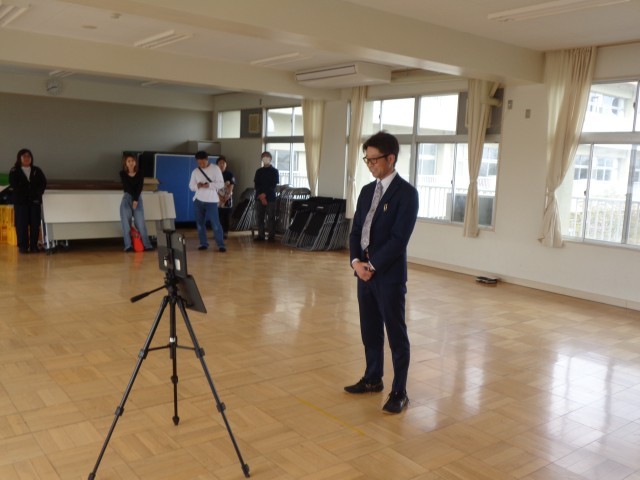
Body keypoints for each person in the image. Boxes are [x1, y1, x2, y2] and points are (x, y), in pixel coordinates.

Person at [345, 131, 419, 415]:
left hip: (388, 276)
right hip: (363, 273)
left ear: (391, 158)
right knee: (370, 329)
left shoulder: (406, 194)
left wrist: (372, 265)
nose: (370, 165)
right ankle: (372, 377)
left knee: (396, 334)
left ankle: (399, 391)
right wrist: (356, 263)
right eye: (367, 160)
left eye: (374, 160)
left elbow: (399, 240)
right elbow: (356, 231)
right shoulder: (367, 191)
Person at [9, 148, 47, 254]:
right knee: (21, 224)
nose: (27, 158)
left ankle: (34, 246)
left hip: (34, 201)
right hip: (21, 202)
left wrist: (37, 193)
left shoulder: (37, 170)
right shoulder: (14, 170)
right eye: (24, 156)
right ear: (19, 158)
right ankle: (23, 247)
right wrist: (27, 193)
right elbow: (14, 185)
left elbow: (43, 183)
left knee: (35, 224)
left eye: (28, 156)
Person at [189, 150, 226, 252]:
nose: (201, 165)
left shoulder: (215, 169)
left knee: (215, 223)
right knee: (200, 224)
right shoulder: (195, 171)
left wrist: (209, 185)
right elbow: (191, 186)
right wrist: (197, 186)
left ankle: (220, 244)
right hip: (198, 200)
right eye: (199, 163)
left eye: (203, 162)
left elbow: (221, 184)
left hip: (212, 200)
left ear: (207, 159)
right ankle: (203, 243)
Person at [119, 154, 154, 252]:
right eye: (128, 161)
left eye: (132, 161)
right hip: (126, 199)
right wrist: (133, 199)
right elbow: (128, 187)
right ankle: (128, 246)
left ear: (135, 162)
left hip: (138, 198)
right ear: (125, 163)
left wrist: (135, 199)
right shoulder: (122, 173)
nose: (131, 163)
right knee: (126, 223)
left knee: (140, 223)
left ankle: (147, 245)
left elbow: (139, 187)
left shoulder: (140, 173)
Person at [253, 151, 279, 242]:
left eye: (267, 157)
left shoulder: (275, 171)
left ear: (270, 159)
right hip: (259, 198)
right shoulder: (259, 171)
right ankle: (261, 235)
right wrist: (261, 196)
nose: (265, 158)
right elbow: (256, 185)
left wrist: (265, 195)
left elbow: (273, 185)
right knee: (260, 217)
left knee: (271, 217)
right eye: (263, 157)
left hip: (270, 198)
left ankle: (271, 236)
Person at [216, 155, 235, 239]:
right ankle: (218, 232)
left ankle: (225, 232)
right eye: (220, 163)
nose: (222, 164)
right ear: (217, 164)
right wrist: (220, 197)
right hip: (217, 198)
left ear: (226, 164)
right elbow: (213, 188)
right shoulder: (215, 174)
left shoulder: (230, 174)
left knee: (226, 216)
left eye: (223, 163)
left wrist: (227, 196)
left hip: (228, 198)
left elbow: (231, 186)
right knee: (218, 216)